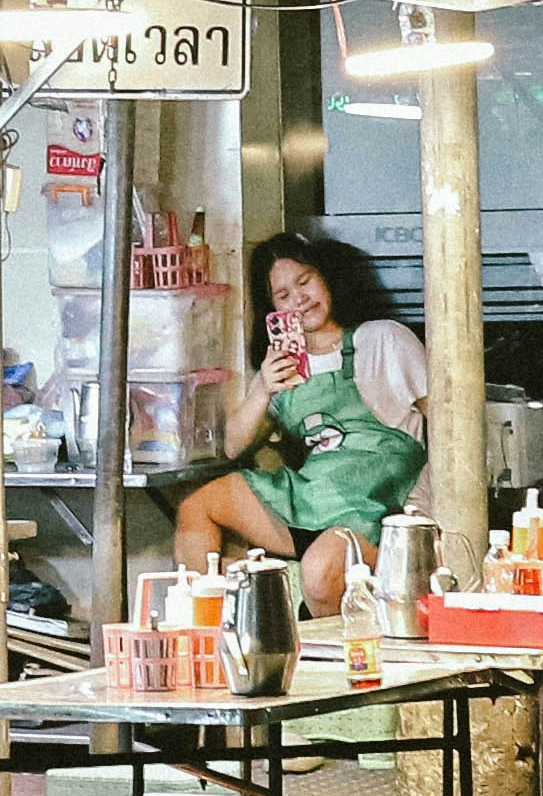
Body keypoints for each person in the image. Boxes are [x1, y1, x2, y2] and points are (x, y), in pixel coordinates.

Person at [168, 228, 427, 590]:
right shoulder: (282, 367)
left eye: (305, 282)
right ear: (273, 310)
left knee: (320, 572)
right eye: (283, 295)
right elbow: (232, 447)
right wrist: (262, 388)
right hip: (309, 496)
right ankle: (212, 629)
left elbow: (448, 424)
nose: (299, 299)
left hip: (371, 507)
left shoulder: (385, 338)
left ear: (326, 277)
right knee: (196, 505)